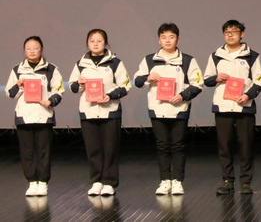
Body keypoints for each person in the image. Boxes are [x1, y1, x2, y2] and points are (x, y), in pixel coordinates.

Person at [134, 23, 203, 195]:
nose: (167, 40)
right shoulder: (149, 60)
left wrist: (182, 96)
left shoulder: (187, 60)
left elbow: (198, 84)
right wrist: (148, 77)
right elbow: (137, 81)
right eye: (164, 37)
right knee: (162, 146)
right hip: (157, 109)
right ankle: (165, 180)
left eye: (171, 37)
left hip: (179, 109)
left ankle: (177, 181)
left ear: (177, 39)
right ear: (159, 40)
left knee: (178, 145)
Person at [204, 19, 261, 195]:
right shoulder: (216, 55)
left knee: (246, 145)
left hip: (244, 106)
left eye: (234, 32)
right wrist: (216, 78)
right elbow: (206, 79)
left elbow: (259, 81)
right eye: (227, 32)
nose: (230, 35)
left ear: (242, 34)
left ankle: (245, 182)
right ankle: (227, 180)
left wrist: (247, 95)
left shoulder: (252, 56)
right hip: (223, 106)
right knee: (224, 145)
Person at [69, 29, 131, 196]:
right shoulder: (81, 63)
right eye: (92, 41)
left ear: (105, 43)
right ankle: (96, 181)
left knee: (111, 147)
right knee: (93, 148)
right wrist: (79, 83)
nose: (95, 44)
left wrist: (110, 96)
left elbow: (126, 86)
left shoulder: (115, 62)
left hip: (110, 111)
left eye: (99, 41)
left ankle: (109, 182)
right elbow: (73, 87)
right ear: (87, 43)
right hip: (88, 111)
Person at [5, 36, 64, 196]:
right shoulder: (17, 70)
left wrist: (50, 101)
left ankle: (43, 182)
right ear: (24, 50)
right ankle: (32, 182)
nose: (32, 51)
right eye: (28, 48)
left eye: (35, 48)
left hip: (44, 116)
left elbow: (59, 90)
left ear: (41, 49)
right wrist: (18, 85)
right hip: (24, 116)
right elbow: (10, 94)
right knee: (27, 151)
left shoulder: (51, 69)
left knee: (44, 151)